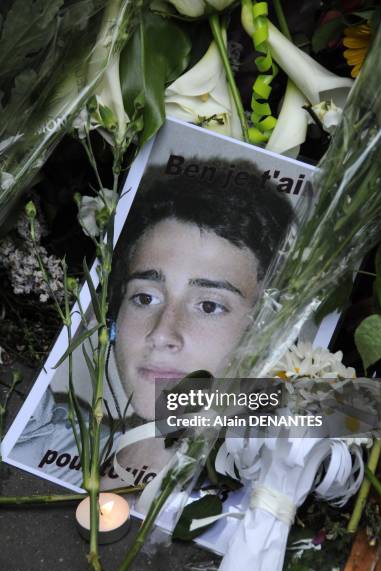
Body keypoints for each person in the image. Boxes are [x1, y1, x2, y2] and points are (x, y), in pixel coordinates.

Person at [9, 157, 294, 487]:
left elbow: (358, 409)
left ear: (265, 327)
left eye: (209, 305)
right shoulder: (38, 437)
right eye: (145, 298)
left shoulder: (296, 475)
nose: (161, 334)